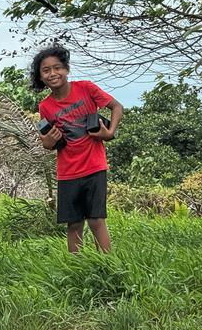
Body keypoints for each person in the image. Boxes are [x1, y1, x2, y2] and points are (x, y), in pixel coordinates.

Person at [32, 44, 122, 253]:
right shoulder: (45, 106)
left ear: (66, 69)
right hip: (67, 172)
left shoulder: (86, 88)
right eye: (46, 70)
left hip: (94, 167)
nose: (53, 74)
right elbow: (46, 141)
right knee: (73, 224)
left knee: (96, 220)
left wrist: (109, 133)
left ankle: (106, 265)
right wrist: (48, 142)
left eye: (57, 68)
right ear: (40, 76)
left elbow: (117, 107)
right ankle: (77, 270)